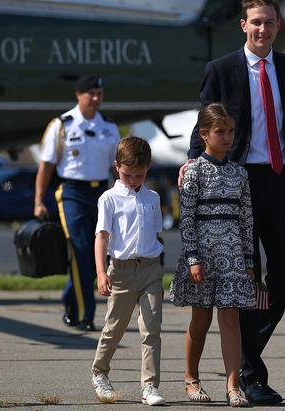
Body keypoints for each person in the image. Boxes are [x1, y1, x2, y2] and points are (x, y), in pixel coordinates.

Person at [180, 0, 285, 405]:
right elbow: (204, 123)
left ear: (279, 26)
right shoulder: (222, 69)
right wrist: (194, 161)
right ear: (244, 25)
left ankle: (246, 356)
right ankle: (250, 376)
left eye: (270, 22)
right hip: (236, 182)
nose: (263, 28)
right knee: (247, 281)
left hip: (281, 181)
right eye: (256, 22)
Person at [170, 103, 256, 407]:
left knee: (230, 317)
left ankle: (234, 386)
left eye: (231, 131)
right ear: (204, 134)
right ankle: (191, 379)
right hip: (203, 256)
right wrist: (193, 258)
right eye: (220, 131)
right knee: (202, 317)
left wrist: (248, 261)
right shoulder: (193, 171)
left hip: (232, 254)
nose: (227, 137)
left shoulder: (239, 174)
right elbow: (187, 219)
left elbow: (246, 219)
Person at [34, 75, 120, 331]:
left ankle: (70, 300)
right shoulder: (62, 124)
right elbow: (46, 165)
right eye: (90, 93)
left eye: (99, 94)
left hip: (101, 194)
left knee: (97, 255)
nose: (95, 99)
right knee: (80, 250)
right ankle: (84, 315)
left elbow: (117, 166)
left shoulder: (110, 126)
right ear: (78, 95)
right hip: (71, 193)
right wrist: (39, 200)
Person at [90, 136, 166, 406]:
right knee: (114, 327)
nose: (133, 180)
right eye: (127, 174)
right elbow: (102, 236)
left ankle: (150, 386)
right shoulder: (108, 199)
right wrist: (101, 272)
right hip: (120, 271)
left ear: (147, 169)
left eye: (139, 175)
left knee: (151, 329)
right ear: (116, 167)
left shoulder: (153, 197)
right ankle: (100, 373)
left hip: (150, 270)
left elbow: (155, 234)